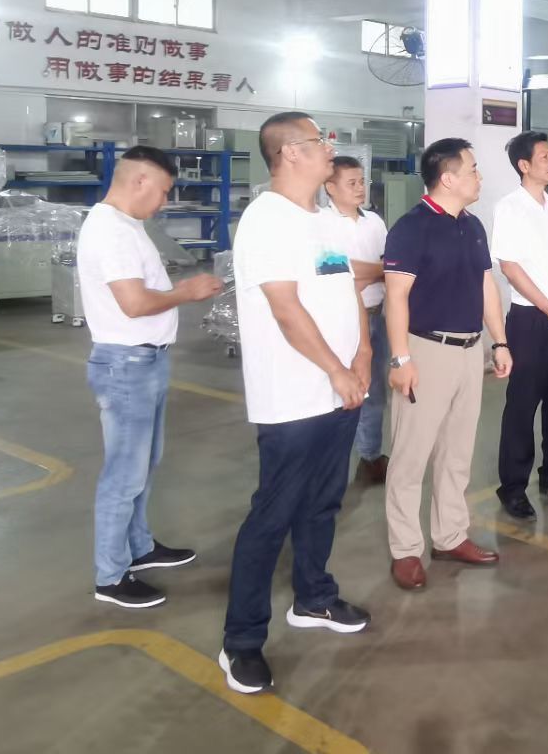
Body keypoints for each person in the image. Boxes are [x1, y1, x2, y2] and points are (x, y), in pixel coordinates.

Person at [220, 112, 373, 696]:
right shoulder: (266, 219)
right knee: (273, 515)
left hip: (341, 390)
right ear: (289, 153)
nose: (329, 148)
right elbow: (285, 309)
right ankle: (241, 642)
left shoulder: (322, 220)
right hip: (292, 398)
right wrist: (336, 369)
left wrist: (362, 353)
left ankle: (313, 598)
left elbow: (345, 288)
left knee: (323, 504)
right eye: (318, 140)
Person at [79, 146, 223, 609]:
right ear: (140, 180)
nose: (163, 202)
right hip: (126, 365)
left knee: (143, 464)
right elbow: (135, 303)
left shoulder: (129, 226)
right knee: (124, 473)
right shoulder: (111, 231)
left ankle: (138, 548)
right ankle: (110, 576)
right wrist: (186, 292)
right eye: (162, 191)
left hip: (145, 361)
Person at [382, 138, 512, 591]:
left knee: (457, 452)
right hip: (426, 351)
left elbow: (486, 285)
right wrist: (401, 358)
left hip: (469, 351)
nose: (480, 177)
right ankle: (405, 550)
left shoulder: (472, 225)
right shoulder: (411, 228)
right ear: (449, 178)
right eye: (473, 169)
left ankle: (450, 536)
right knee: (411, 455)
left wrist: (499, 342)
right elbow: (396, 297)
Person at [490, 131, 548, 521]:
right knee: (522, 404)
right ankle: (513, 487)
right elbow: (509, 266)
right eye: (545, 156)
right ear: (524, 165)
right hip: (530, 318)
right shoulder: (510, 208)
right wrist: (547, 307)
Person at [320, 155, 392, 485]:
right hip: (340, 321)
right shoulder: (322, 224)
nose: (360, 188)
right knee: (338, 392)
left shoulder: (374, 222)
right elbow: (331, 271)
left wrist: (361, 272)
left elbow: (391, 266)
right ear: (330, 187)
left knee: (374, 391)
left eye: (362, 181)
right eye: (352, 183)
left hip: (377, 316)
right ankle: (331, 463)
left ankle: (370, 456)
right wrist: (377, 271)